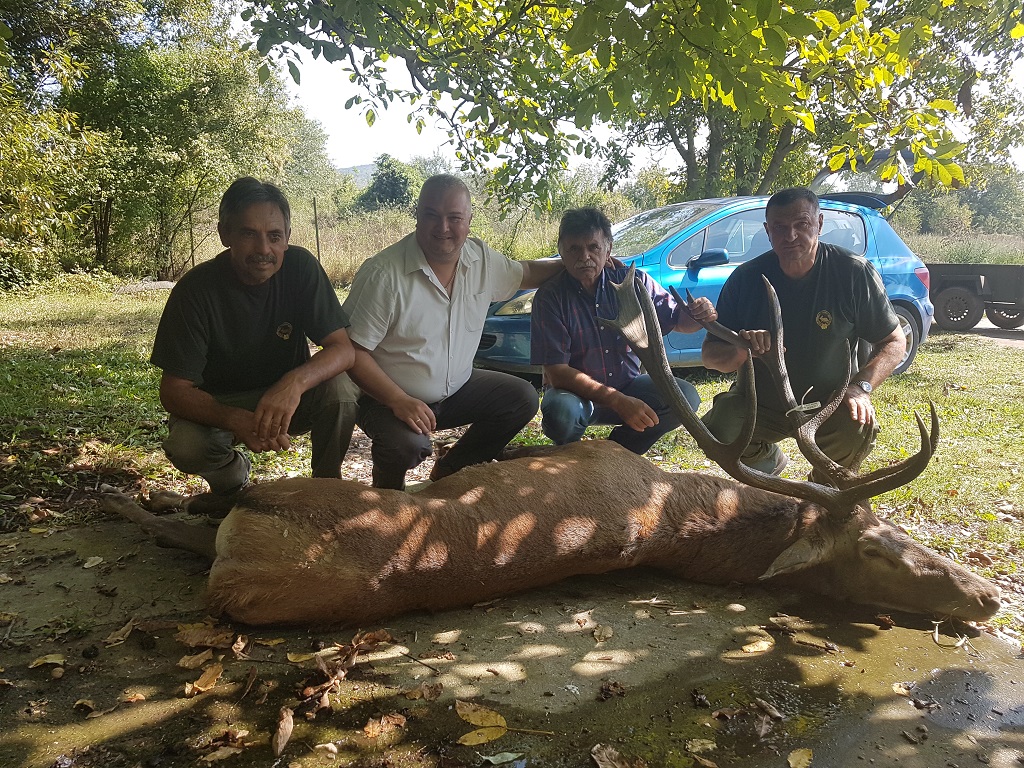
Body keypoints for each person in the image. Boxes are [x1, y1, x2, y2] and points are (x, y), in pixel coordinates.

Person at [342, 174, 565, 490]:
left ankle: (451, 469)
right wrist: (397, 399)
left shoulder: (481, 260)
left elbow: (526, 272)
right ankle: (386, 500)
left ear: (469, 220)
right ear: (417, 215)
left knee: (522, 398)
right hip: (386, 398)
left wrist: (577, 262)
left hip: (456, 389)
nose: (442, 227)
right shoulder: (384, 274)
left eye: (454, 217)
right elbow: (353, 352)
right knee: (407, 446)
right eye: (431, 215)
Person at [151, 177, 359, 510]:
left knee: (342, 390)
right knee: (187, 444)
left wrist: (293, 383)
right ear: (225, 234)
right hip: (221, 403)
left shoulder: (302, 268)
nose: (263, 249)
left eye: (274, 236)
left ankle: (326, 490)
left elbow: (343, 349)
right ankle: (232, 483)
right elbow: (174, 391)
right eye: (249, 234)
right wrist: (234, 418)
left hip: (289, 399)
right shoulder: (195, 291)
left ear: (287, 239)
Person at [701, 187, 906, 478]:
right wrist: (742, 349)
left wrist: (861, 388)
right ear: (767, 231)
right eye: (780, 228)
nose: (791, 236)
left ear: (819, 224)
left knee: (857, 427)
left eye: (802, 225)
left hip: (831, 403)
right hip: (761, 404)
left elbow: (894, 341)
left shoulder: (853, 273)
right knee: (720, 429)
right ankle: (767, 465)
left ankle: (823, 487)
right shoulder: (745, 280)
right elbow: (710, 355)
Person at [530, 207, 718, 454]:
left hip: (628, 385)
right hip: (575, 396)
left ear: (608, 249)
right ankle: (570, 460)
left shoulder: (633, 282)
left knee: (686, 397)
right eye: (574, 248)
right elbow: (557, 373)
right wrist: (618, 401)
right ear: (561, 251)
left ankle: (617, 453)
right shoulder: (550, 296)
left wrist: (700, 314)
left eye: (593, 247)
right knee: (561, 414)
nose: (584, 256)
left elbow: (679, 322)